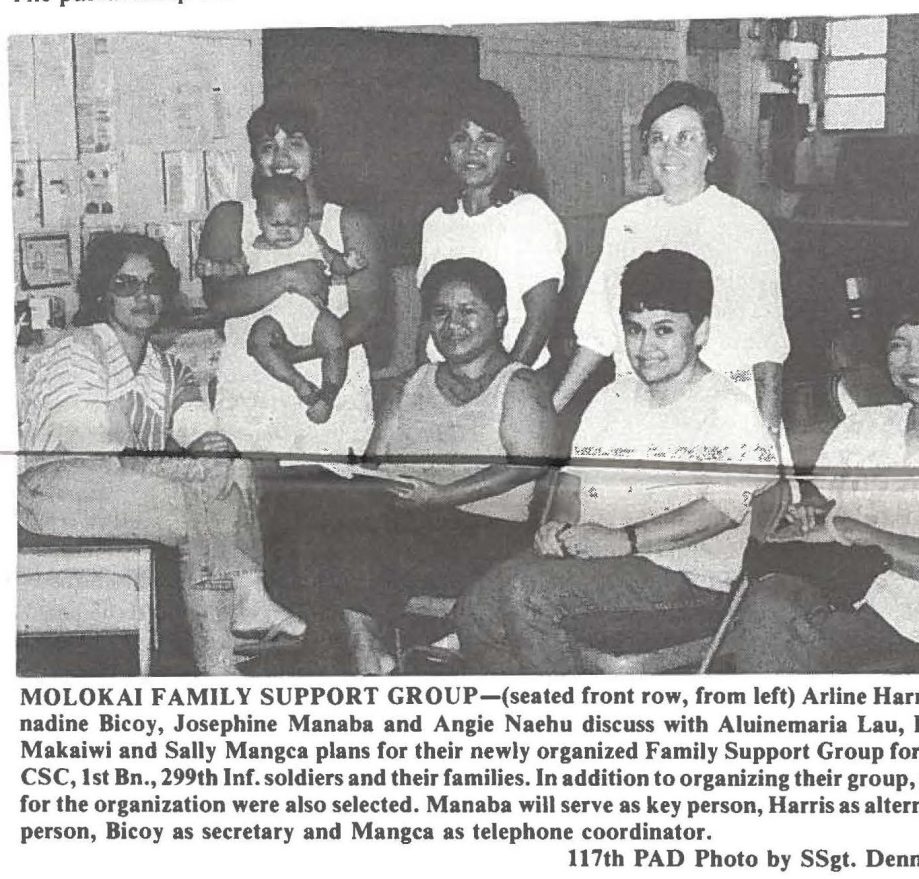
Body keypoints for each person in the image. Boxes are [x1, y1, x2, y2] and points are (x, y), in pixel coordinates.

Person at [456, 249, 777, 674]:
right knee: (474, 607)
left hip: (687, 583)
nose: (645, 348)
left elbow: (720, 511)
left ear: (701, 331)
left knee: (525, 594)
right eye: (634, 330)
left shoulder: (728, 408)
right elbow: (571, 484)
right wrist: (558, 527)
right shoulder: (613, 398)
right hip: (604, 565)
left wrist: (625, 540)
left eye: (664, 331)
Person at [17, 233, 305, 675]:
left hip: (128, 488)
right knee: (195, 504)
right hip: (53, 489)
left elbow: (204, 435)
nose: (142, 296)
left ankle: (239, 616)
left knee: (231, 470)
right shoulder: (76, 349)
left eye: (152, 284)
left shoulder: (168, 367)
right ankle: (225, 648)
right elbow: (93, 446)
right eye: (125, 284)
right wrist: (188, 468)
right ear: (100, 293)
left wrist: (215, 453)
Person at [273, 257, 559, 675]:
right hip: (406, 523)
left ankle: (366, 658)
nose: (452, 325)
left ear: (499, 317)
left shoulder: (518, 385)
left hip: (485, 534)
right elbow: (374, 463)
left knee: (340, 535)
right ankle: (369, 656)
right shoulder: (413, 382)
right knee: (307, 493)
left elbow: (530, 466)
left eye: (468, 311)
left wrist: (442, 496)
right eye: (440, 313)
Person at [719, 280, 919, 672]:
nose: (912, 361)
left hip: (917, 634)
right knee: (768, 603)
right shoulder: (864, 427)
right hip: (835, 597)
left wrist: (862, 534)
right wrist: (806, 514)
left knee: (772, 624)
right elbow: (819, 506)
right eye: (898, 345)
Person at [553, 81, 789, 446]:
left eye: (685, 138)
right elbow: (598, 330)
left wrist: (768, 441)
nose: (669, 151)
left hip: (721, 412)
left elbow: (767, 348)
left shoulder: (743, 226)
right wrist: (555, 404)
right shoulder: (625, 224)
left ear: (711, 150)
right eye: (657, 138)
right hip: (638, 403)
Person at [198, 99, 385, 455]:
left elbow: (368, 314)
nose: (281, 158)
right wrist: (288, 276)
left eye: (295, 144)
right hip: (252, 385)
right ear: (255, 157)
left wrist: (296, 355)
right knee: (251, 500)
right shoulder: (231, 218)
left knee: (329, 500)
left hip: (331, 382)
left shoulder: (348, 223)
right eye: (268, 147)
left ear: (317, 152)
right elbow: (220, 300)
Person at [418, 79, 566, 368]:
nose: (472, 151)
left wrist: (500, 387)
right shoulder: (436, 222)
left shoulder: (530, 215)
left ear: (510, 150)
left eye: (486, 139)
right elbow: (429, 318)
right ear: (447, 151)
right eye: (461, 138)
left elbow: (540, 319)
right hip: (446, 377)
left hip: (511, 375)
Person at [207, 174, 365, 425]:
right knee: (258, 340)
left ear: (305, 219)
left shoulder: (313, 240)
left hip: (311, 315)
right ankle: (298, 383)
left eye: (292, 223)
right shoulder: (253, 248)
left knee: (335, 340)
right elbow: (231, 278)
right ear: (259, 220)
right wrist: (214, 269)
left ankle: (328, 395)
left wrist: (347, 263)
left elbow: (334, 262)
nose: (284, 231)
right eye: (275, 223)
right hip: (274, 322)